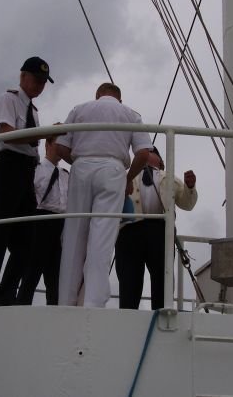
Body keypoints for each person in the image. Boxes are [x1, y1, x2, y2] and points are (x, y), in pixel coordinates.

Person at [55, 82, 152, 308]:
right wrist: (128, 178)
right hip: (112, 169)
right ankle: (93, 301)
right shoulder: (130, 114)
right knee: (102, 237)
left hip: (81, 167)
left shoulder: (79, 109)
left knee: (73, 236)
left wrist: (78, 162)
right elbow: (143, 154)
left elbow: (61, 148)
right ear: (120, 99)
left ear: (97, 95)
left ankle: (66, 300)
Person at [0, 56, 54, 308]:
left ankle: (7, 293)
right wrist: (44, 133)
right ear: (23, 77)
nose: (40, 86)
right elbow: (6, 133)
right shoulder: (9, 99)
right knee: (0, 230)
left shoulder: (33, 110)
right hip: (8, 166)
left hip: (27, 170)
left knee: (26, 240)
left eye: (43, 82)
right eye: (37, 80)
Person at [115, 147, 197, 310]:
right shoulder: (126, 176)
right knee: (129, 279)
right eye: (144, 152)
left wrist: (190, 187)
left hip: (160, 230)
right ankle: (127, 313)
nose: (147, 154)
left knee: (162, 278)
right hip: (130, 230)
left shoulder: (170, 178)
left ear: (160, 161)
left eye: (152, 152)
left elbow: (187, 204)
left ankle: (161, 313)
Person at [17, 133, 69, 305]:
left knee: (55, 278)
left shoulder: (66, 175)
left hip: (61, 224)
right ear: (48, 144)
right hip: (40, 222)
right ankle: (21, 308)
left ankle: (54, 314)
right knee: (31, 273)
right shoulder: (35, 170)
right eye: (59, 143)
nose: (63, 147)